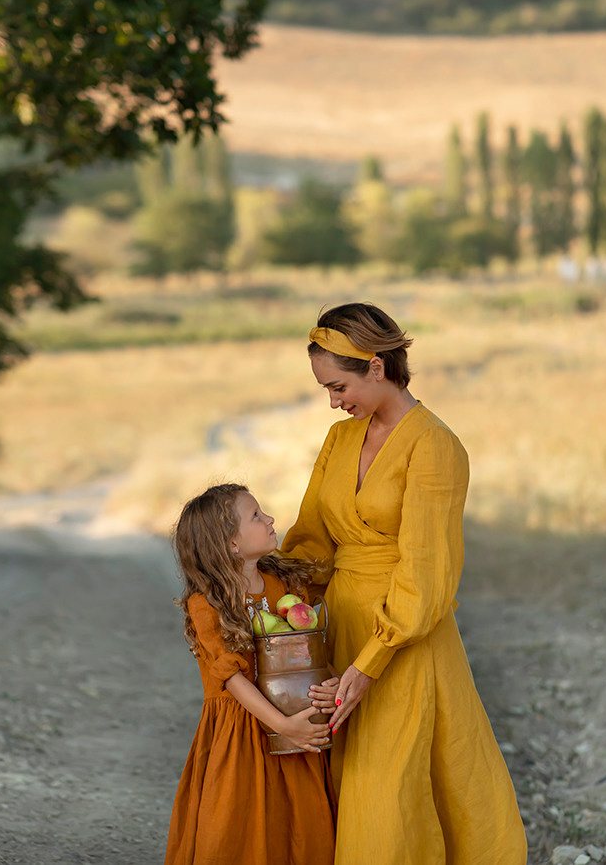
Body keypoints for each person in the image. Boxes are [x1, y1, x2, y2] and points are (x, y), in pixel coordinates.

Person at [281, 303, 527, 864]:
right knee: (346, 782)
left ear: (376, 366)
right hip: (340, 626)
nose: (332, 400)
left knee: (389, 790)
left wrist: (368, 664)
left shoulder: (435, 446)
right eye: (324, 388)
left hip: (403, 643)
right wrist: (275, 598)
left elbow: (427, 572)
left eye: (338, 385)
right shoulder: (339, 441)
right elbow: (312, 540)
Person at [164, 483, 337, 865]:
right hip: (242, 734)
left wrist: (332, 680)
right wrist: (284, 726)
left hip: (294, 719)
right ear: (231, 545)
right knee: (236, 829)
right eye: (256, 516)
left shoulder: (285, 586)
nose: (270, 518)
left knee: (300, 826)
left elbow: (308, 649)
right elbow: (232, 678)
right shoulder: (206, 604)